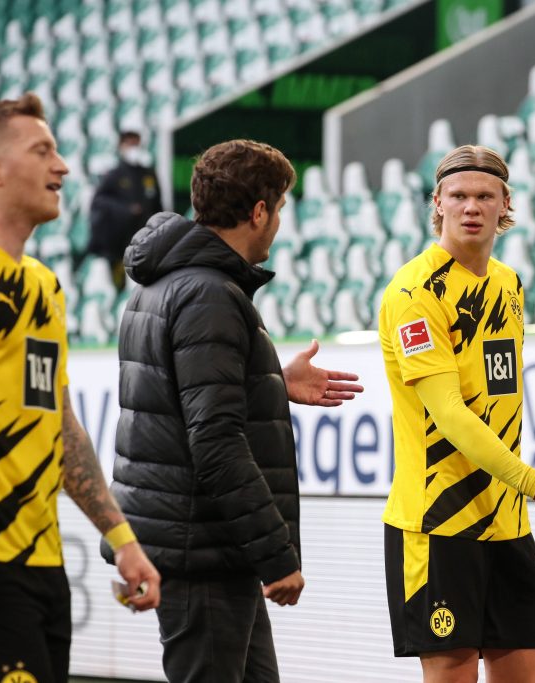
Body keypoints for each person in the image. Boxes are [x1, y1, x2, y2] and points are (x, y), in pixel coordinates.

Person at [105, 138, 363, 682]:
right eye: (281, 209)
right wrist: (276, 554)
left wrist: (268, 381)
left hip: (199, 544)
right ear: (260, 210)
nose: (279, 224)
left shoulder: (166, 285)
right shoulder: (210, 295)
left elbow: (183, 400)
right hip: (201, 547)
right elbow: (215, 442)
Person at [0, 94, 160, 683]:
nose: (62, 166)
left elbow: (59, 423)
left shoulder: (44, 286)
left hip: (42, 562)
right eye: (43, 151)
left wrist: (123, 538)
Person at [378, 144, 535, 683]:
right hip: (439, 524)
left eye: (483, 195)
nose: (470, 206)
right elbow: (449, 415)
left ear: (505, 204)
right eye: (458, 195)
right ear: (437, 202)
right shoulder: (414, 292)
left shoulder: (509, 283)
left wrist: (521, 493)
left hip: (507, 523)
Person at [87, 130, 163, 288]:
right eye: (130, 144)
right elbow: (99, 201)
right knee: (120, 284)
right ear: (121, 147)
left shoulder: (148, 174)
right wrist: (127, 210)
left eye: (137, 144)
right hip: (119, 244)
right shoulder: (114, 175)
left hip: (146, 240)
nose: (134, 148)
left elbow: (158, 205)